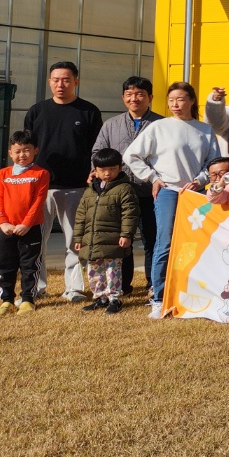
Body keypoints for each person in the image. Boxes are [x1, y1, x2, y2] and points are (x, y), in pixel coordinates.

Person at [124, 82, 220, 317]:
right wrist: (153, 178)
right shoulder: (159, 127)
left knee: (194, 243)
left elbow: (214, 164)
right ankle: (159, 297)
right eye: (171, 100)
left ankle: (191, 292)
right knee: (164, 243)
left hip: (195, 194)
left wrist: (200, 180)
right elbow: (131, 155)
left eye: (180, 99)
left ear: (191, 101)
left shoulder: (205, 130)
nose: (175, 104)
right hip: (168, 191)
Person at [23, 61, 103, 301]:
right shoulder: (36, 111)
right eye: (56, 80)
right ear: (49, 82)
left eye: (66, 80)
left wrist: (93, 173)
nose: (61, 84)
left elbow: (96, 149)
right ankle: (35, 288)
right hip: (40, 187)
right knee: (36, 240)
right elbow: (26, 149)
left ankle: (74, 288)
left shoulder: (88, 111)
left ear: (76, 81)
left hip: (76, 187)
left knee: (74, 241)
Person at [92, 75, 162, 295]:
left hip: (151, 192)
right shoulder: (111, 124)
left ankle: (153, 283)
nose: (134, 99)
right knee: (123, 240)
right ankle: (122, 284)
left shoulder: (161, 124)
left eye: (140, 94)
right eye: (129, 94)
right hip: (119, 193)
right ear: (123, 97)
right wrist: (97, 171)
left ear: (150, 97)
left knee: (153, 239)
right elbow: (97, 152)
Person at [71, 148, 140, 314]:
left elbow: (130, 213)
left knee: (112, 271)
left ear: (120, 168)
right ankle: (100, 297)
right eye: (102, 170)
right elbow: (80, 216)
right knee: (94, 271)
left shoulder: (124, 189)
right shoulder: (90, 191)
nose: (107, 173)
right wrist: (78, 238)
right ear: (95, 170)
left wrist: (126, 234)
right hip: (92, 241)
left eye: (112, 169)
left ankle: (114, 299)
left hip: (113, 240)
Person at [0, 131, 48, 316]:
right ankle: (6, 300)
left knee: (30, 265)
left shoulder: (41, 173)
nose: (22, 154)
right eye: (17, 151)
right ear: (10, 153)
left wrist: (26, 224)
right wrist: (3, 222)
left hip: (31, 228)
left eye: (27, 150)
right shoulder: (2, 174)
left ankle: (28, 299)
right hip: (6, 229)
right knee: (4, 265)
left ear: (35, 150)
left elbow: (38, 202)